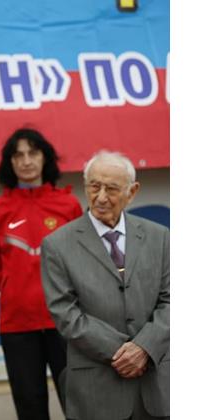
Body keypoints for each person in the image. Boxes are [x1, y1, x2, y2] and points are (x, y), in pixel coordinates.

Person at [40, 151, 169, 420]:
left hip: (156, 387)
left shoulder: (159, 237)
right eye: (94, 186)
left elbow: (172, 300)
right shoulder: (57, 245)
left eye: (111, 188)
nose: (100, 197)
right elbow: (65, 313)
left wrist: (145, 348)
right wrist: (124, 353)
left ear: (132, 192)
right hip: (96, 389)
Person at [0, 128, 82, 420]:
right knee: (30, 408)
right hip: (18, 326)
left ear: (45, 157)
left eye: (33, 153)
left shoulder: (69, 205)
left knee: (79, 404)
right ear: (10, 162)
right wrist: (18, 292)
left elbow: (83, 264)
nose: (26, 161)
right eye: (18, 155)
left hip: (66, 322)